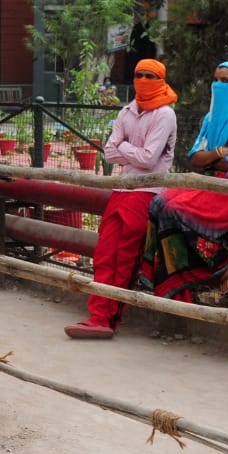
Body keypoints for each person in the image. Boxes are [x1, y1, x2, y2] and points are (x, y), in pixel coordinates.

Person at [65, 59, 179, 339]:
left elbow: (149, 159)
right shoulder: (127, 111)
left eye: (149, 75)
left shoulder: (165, 114)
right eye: (138, 74)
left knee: (126, 256)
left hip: (147, 192)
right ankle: (97, 316)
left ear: (160, 79)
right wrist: (131, 151)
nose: (142, 79)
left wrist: (124, 147)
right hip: (122, 188)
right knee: (104, 252)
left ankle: (109, 318)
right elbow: (108, 152)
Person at [137, 61, 228, 303]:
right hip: (209, 181)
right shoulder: (212, 116)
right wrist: (220, 152)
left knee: (174, 211)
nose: (218, 86)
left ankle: (225, 260)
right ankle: (169, 282)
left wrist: (213, 159)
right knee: (158, 203)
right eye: (216, 80)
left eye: (225, 81)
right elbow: (196, 159)